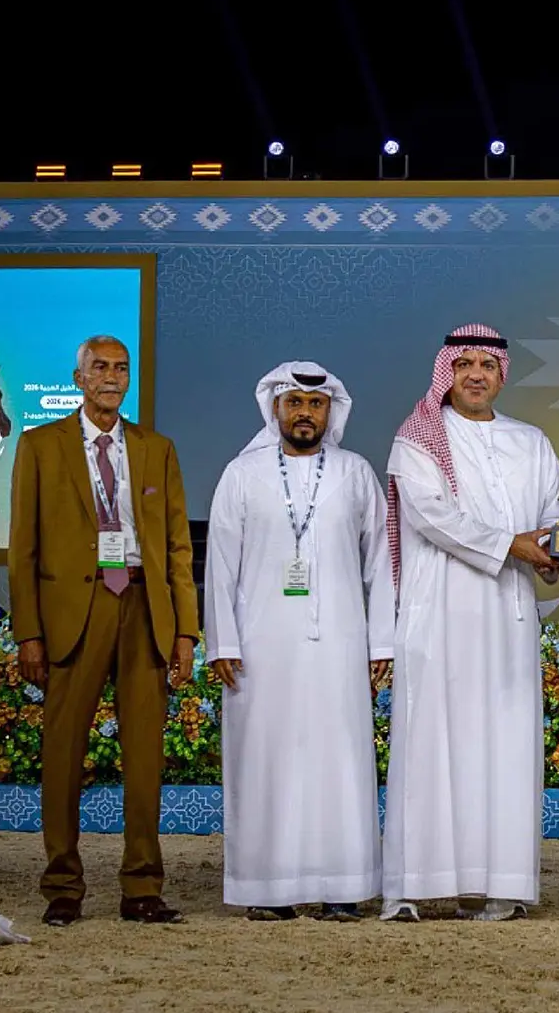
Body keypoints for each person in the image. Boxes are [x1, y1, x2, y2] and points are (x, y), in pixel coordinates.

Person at [7, 335, 197, 927]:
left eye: (121, 368)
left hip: (143, 610)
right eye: (100, 368)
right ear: (78, 377)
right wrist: (28, 633)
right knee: (62, 753)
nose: (112, 377)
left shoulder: (155, 448)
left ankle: (142, 886)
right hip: (74, 615)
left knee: (144, 756)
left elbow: (176, 547)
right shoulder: (40, 446)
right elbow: (23, 549)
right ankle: (63, 885)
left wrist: (185, 631)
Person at [379, 323, 559, 923]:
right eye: (465, 365)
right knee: (430, 743)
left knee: (505, 745)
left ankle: (501, 886)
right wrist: (517, 546)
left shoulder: (531, 441)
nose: (477, 375)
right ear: (448, 372)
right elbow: (434, 518)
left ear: (502, 375)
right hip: (438, 615)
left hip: (508, 615)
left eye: (488, 365)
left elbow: (553, 511)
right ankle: (413, 886)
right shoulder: (417, 442)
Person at [203, 362, 395, 922]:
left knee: (340, 758)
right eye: (294, 403)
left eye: (316, 404)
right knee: (267, 758)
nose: (305, 413)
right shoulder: (242, 473)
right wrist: (223, 642)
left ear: (330, 411)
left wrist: (380, 641)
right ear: (276, 409)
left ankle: (342, 885)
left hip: (340, 642)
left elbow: (381, 562)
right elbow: (220, 563)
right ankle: (267, 888)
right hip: (261, 646)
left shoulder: (356, 473)